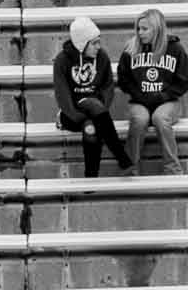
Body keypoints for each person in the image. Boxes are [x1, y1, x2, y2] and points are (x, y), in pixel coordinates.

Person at [52, 16, 132, 178]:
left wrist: (100, 108)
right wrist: (77, 116)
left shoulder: (102, 57)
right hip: (71, 114)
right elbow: (62, 94)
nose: (98, 47)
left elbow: (108, 86)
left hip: (97, 114)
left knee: (91, 127)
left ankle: (91, 177)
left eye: (99, 42)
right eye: (94, 43)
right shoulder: (62, 60)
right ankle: (121, 157)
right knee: (90, 114)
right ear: (82, 44)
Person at [117, 8, 188, 175]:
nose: (140, 33)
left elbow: (184, 81)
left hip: (167, 102)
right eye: (138, 28)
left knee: (160, 118)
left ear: (157, 29)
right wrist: (140, 96)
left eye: (145, 29)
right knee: (139, 119)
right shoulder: (131, 48)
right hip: (139, 102)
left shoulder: (175, 49)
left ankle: (172, 169)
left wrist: (163, 96)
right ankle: (130, 169)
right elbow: (123, 80)